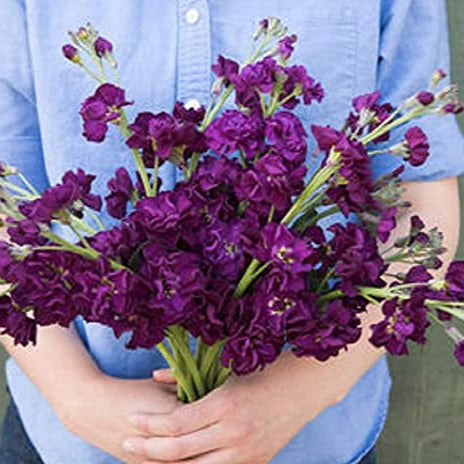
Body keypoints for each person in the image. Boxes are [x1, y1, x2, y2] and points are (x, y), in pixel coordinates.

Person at [0, 1, 463, 463]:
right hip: (71, 439)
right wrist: (77, 395)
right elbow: (8, 207)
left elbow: (421, 211)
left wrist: (292, 396)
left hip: (309, 439)